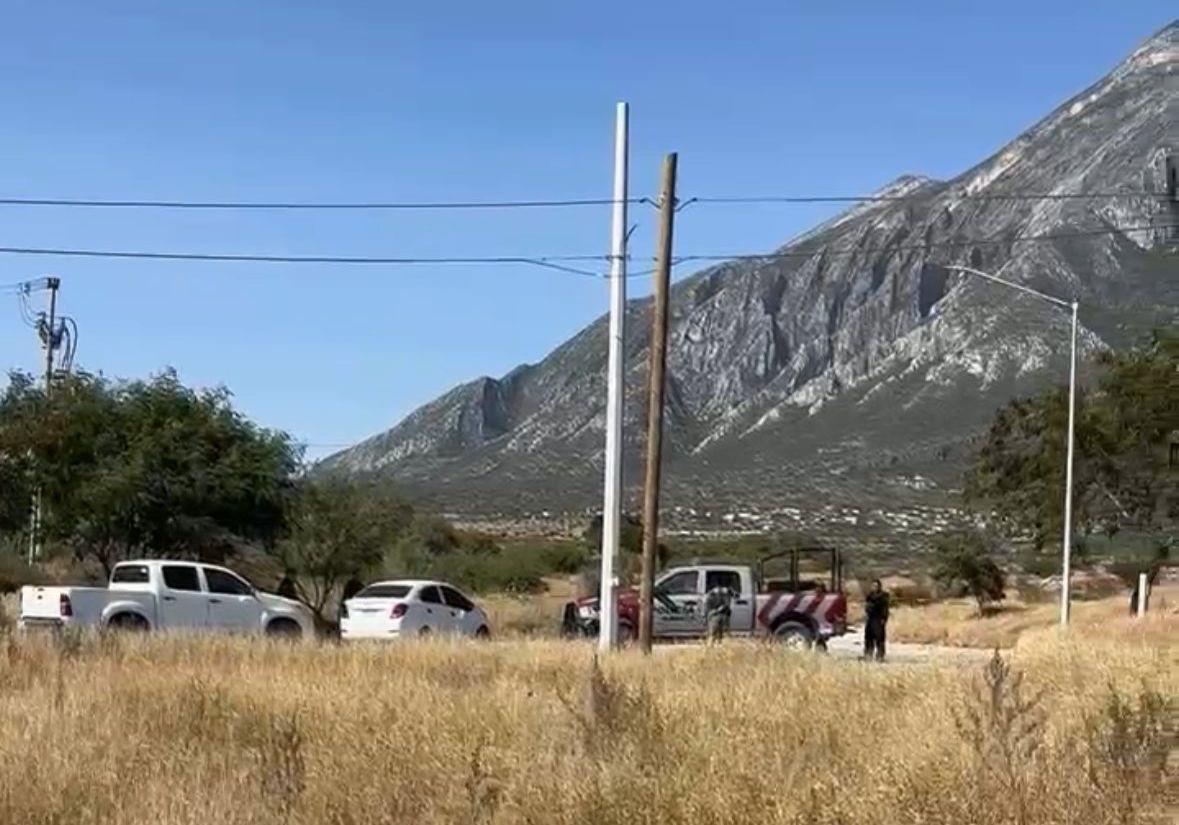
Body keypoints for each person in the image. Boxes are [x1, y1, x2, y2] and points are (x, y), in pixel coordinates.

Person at [863, 579, 890, 661]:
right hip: (870, 619)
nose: (873, 587)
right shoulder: (870, 596)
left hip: (878, 619)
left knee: (879, 638)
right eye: (872, 586)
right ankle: (868, 654)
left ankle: (880, 656)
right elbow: (867, 606)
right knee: (868, 638)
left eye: (875, 586)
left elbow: (885, 609)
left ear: (879, 587)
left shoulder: (883, 596)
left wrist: (883, 619)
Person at [702, 581, 735, 645]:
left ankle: (717, 642)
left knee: (721, 634)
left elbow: (728, 604)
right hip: (714, 616)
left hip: (722, 616)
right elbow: (707, 609)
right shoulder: (710, 596)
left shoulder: (725, 595)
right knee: (713, 633)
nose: (719, 589)